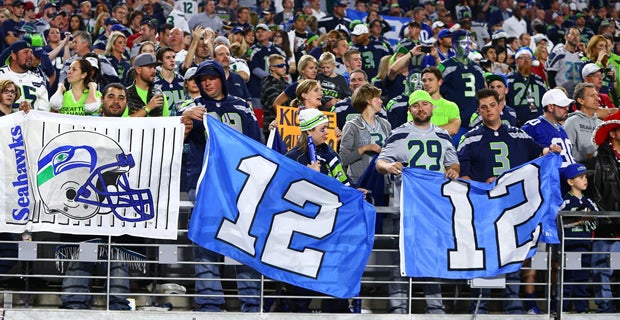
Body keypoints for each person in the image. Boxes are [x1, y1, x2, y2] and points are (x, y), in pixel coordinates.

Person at [458, 88, 561, 314]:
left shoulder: (518, 135)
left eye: (492, 105)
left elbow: (539, 154)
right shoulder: (470, 138)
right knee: (483, 254)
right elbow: (462, 176)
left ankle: (513, 304)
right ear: (479, 110)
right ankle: (480, 304)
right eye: (483, 107)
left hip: (513, 207)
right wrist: (484, 186)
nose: (488, 110)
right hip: (485, 207)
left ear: (500, 106)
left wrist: (550, 150)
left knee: (514, 253)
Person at [181, 60, 261, 312]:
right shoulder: (191, 108)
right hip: (205, 185)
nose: (206, 83)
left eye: (211, 78)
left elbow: (256, 145)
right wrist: (183, 119)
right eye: (202, 79)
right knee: (205, 242)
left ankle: (251, 304)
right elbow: (175, 139)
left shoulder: (241, 106)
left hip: (239, 184)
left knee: (244, 242)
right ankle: (209, 302)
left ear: (221, 79)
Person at [377, 90, 459, 314]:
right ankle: (399, 307)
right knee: (401, 257)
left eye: (425, 104)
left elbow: (453, 163)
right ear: (410, 110)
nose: (421, 108)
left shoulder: (443, 135)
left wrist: (452, 171)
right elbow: (380, 162)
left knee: (432, 255)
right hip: (405, 206)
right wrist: (389, 167)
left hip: (433, 207)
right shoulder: (398, 134)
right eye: (416, 105)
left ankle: (435, 306)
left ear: (433, 108)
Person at [558, 163, 599, 313]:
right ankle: (561, 308)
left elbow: (598, 220)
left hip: (585, 244)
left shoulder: (589, 201)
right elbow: (558, 222)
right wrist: (577, 219)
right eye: (581, 177)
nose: (585, 180)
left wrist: (590, 218)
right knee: (568, 278)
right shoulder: (564, 201)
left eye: (586, 177)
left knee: (583, 278)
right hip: (570, 246)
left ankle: (582, 308)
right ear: (570, 182)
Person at [590, 111, 620, 313]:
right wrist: (607, 219)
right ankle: (605, 308)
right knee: (603, 268)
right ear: (613, 133)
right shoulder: (599, 158)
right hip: (608, 225)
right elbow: (596, 193)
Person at [0, 79, 29, 276]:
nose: (10, 94)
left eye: (13, 91)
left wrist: (29, 114)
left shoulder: (20, 117)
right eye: (5, 91)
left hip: (13, 182)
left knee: (12, 248)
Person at [438, 30, 485, 143]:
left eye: (469, 44)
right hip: (454, 120)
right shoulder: (444, 66)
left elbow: (482, 93)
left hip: (475, 119)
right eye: (463, 44)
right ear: (454, 45)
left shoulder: (477, 68)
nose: (467, 47)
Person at [339, 83, 391, 183]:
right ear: (368, 100)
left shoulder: (385, 124)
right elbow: (344, 159)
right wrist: (365, 148)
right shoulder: (352, 126)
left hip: (382, 181)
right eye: (377, 98)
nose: (381, 101)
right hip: (360, 182)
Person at [522, 88, 576, 168]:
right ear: (550, 107)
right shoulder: (532, 127)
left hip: (567, 176)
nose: (567, 108)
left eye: (567, 106)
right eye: (562, 106)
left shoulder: (561, 129)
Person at [0, 39, 49, 111]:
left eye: (31, 52)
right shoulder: (1, 75)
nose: (30, 56)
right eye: (26, 52)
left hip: (30, 121)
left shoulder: (37, 79)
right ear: (14, 56)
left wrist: (30, 111)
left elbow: (44, 108)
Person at [506, 48, 548, 127]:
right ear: (516, 61)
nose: (526, 60)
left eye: (528, 58)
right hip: (518, 121)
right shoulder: (509, 79)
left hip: (537, 121)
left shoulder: (539, 80)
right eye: (522, 57)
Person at [563, 83, 603, 164]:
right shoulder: (571, 122)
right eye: (592, 96)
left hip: (601, 170)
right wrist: (584, 155)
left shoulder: (601, 124)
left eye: (597, 95)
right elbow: (565, 153)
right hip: (581, 170)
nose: (597, 99)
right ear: (581, 101)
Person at [124, 53, 169, 117]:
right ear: (138, 70)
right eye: (150, 67)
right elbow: (123, 122)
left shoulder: (160, 94)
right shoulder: (125, 95)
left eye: (154, 67)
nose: (154, 71)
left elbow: (166, 122)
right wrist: (148, 108)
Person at [546, 28, 584, 97]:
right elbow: (550, 75)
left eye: (577, 35)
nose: (575, 37)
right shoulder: (557, 54)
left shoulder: (581, 56)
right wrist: (555, 92)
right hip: (561, 94)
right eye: (572, 34)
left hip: (577, 95)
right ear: (566, 37)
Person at [261, 53, 289, 138]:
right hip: (272, 126)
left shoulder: (286, 83)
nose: (284, 67)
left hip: (286, 126)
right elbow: (277, 104)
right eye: (280, 65)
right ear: (272, 68)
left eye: (285, 65)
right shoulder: (267, 83)